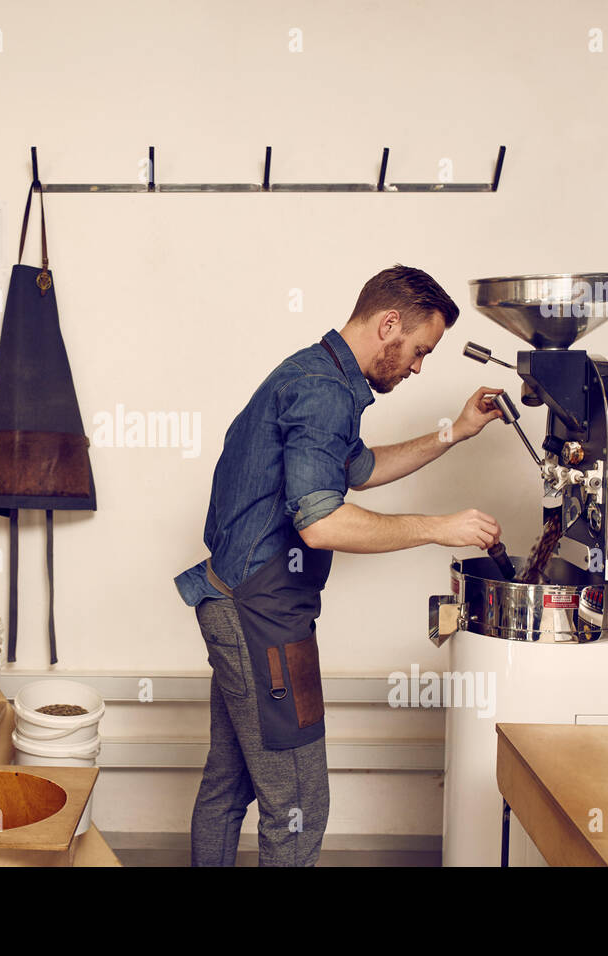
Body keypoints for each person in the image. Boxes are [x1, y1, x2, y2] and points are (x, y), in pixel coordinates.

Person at [174, 264, 505, 866]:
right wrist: (440, 528)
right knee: (299, 807)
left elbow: (360, 469)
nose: (417, 367)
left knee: (229, 786)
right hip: (262, 619)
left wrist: (455, 431)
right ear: (389, 325)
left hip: (234, 604)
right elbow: (320, 522)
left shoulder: (314, 372)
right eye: (420, 351)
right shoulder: (325, 392)